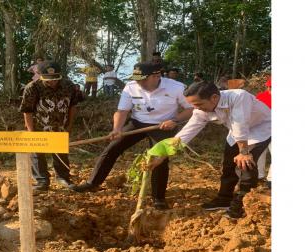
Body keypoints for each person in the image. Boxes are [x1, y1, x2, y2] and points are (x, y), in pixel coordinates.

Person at [72, 62, 194, 210]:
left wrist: (174, 120)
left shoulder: (176, 87)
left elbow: (190, 109)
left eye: (142, 79)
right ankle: (92, 183)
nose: (138, 82)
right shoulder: (131, 87)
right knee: (112, 148)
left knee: (159, 158)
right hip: (137, 123)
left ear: (156, 76)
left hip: (162, 126)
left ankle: (158, 198)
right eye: (136, 79)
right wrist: (117, 129)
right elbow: (122, 112)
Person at [149, 81, 271, 218]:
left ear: (214, 97)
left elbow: (240, 123)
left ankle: (241, 203)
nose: (196, 108)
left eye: (199, 104)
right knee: (228, 165)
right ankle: (224, 198)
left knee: (246, 165)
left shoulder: (238, 96)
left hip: (261, 129)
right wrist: (162, 156)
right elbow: (185, 134)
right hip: (236, 132)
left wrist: (243, 152)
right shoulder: (201, 110)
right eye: (193, 105)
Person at [19, 61, 80, 191]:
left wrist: (69, 125)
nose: (52, 82)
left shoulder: (69, 86)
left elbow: (73, 106)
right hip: (39, 127)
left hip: (60, 127)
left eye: (55, 79)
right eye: (48, 80)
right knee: (37, 154)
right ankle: (42, 181)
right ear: (40, 75)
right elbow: (27, 110)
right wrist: (31, 132)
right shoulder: (32, 87)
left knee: (61, 152)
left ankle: (63, 178)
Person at [256, 76, 272, 188]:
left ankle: (271, 179)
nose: (270, 89)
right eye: (269, 87)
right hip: (260, 129)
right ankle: (258, 176)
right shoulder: (260, 97)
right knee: (259, 153)